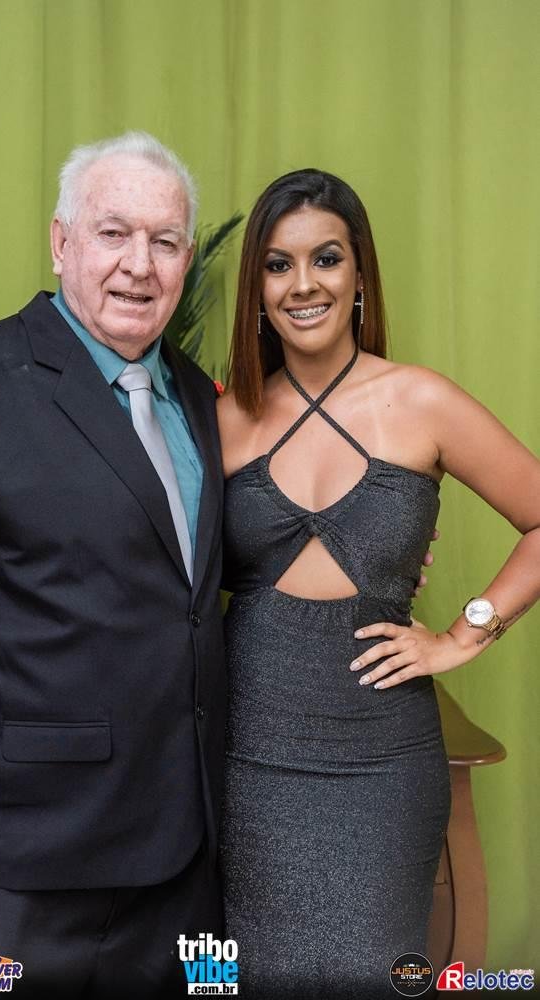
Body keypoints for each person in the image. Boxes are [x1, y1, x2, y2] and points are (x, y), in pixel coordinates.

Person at [0, 131, 227, 997]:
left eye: (165, 241)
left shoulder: (196, 395)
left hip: (184, 855)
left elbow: (190, 586)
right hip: (18, 865)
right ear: (61, 242)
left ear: (185, 261)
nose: (139, 264)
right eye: (113, 233)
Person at [216, 168, 540, 999]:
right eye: (278, 264)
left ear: (359, 273)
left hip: (382, 763)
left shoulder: (420, 400)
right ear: (257, 289)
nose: (303, 284)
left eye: (325, 258)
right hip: (252, 758)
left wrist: (464, 633)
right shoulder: (222, 418)